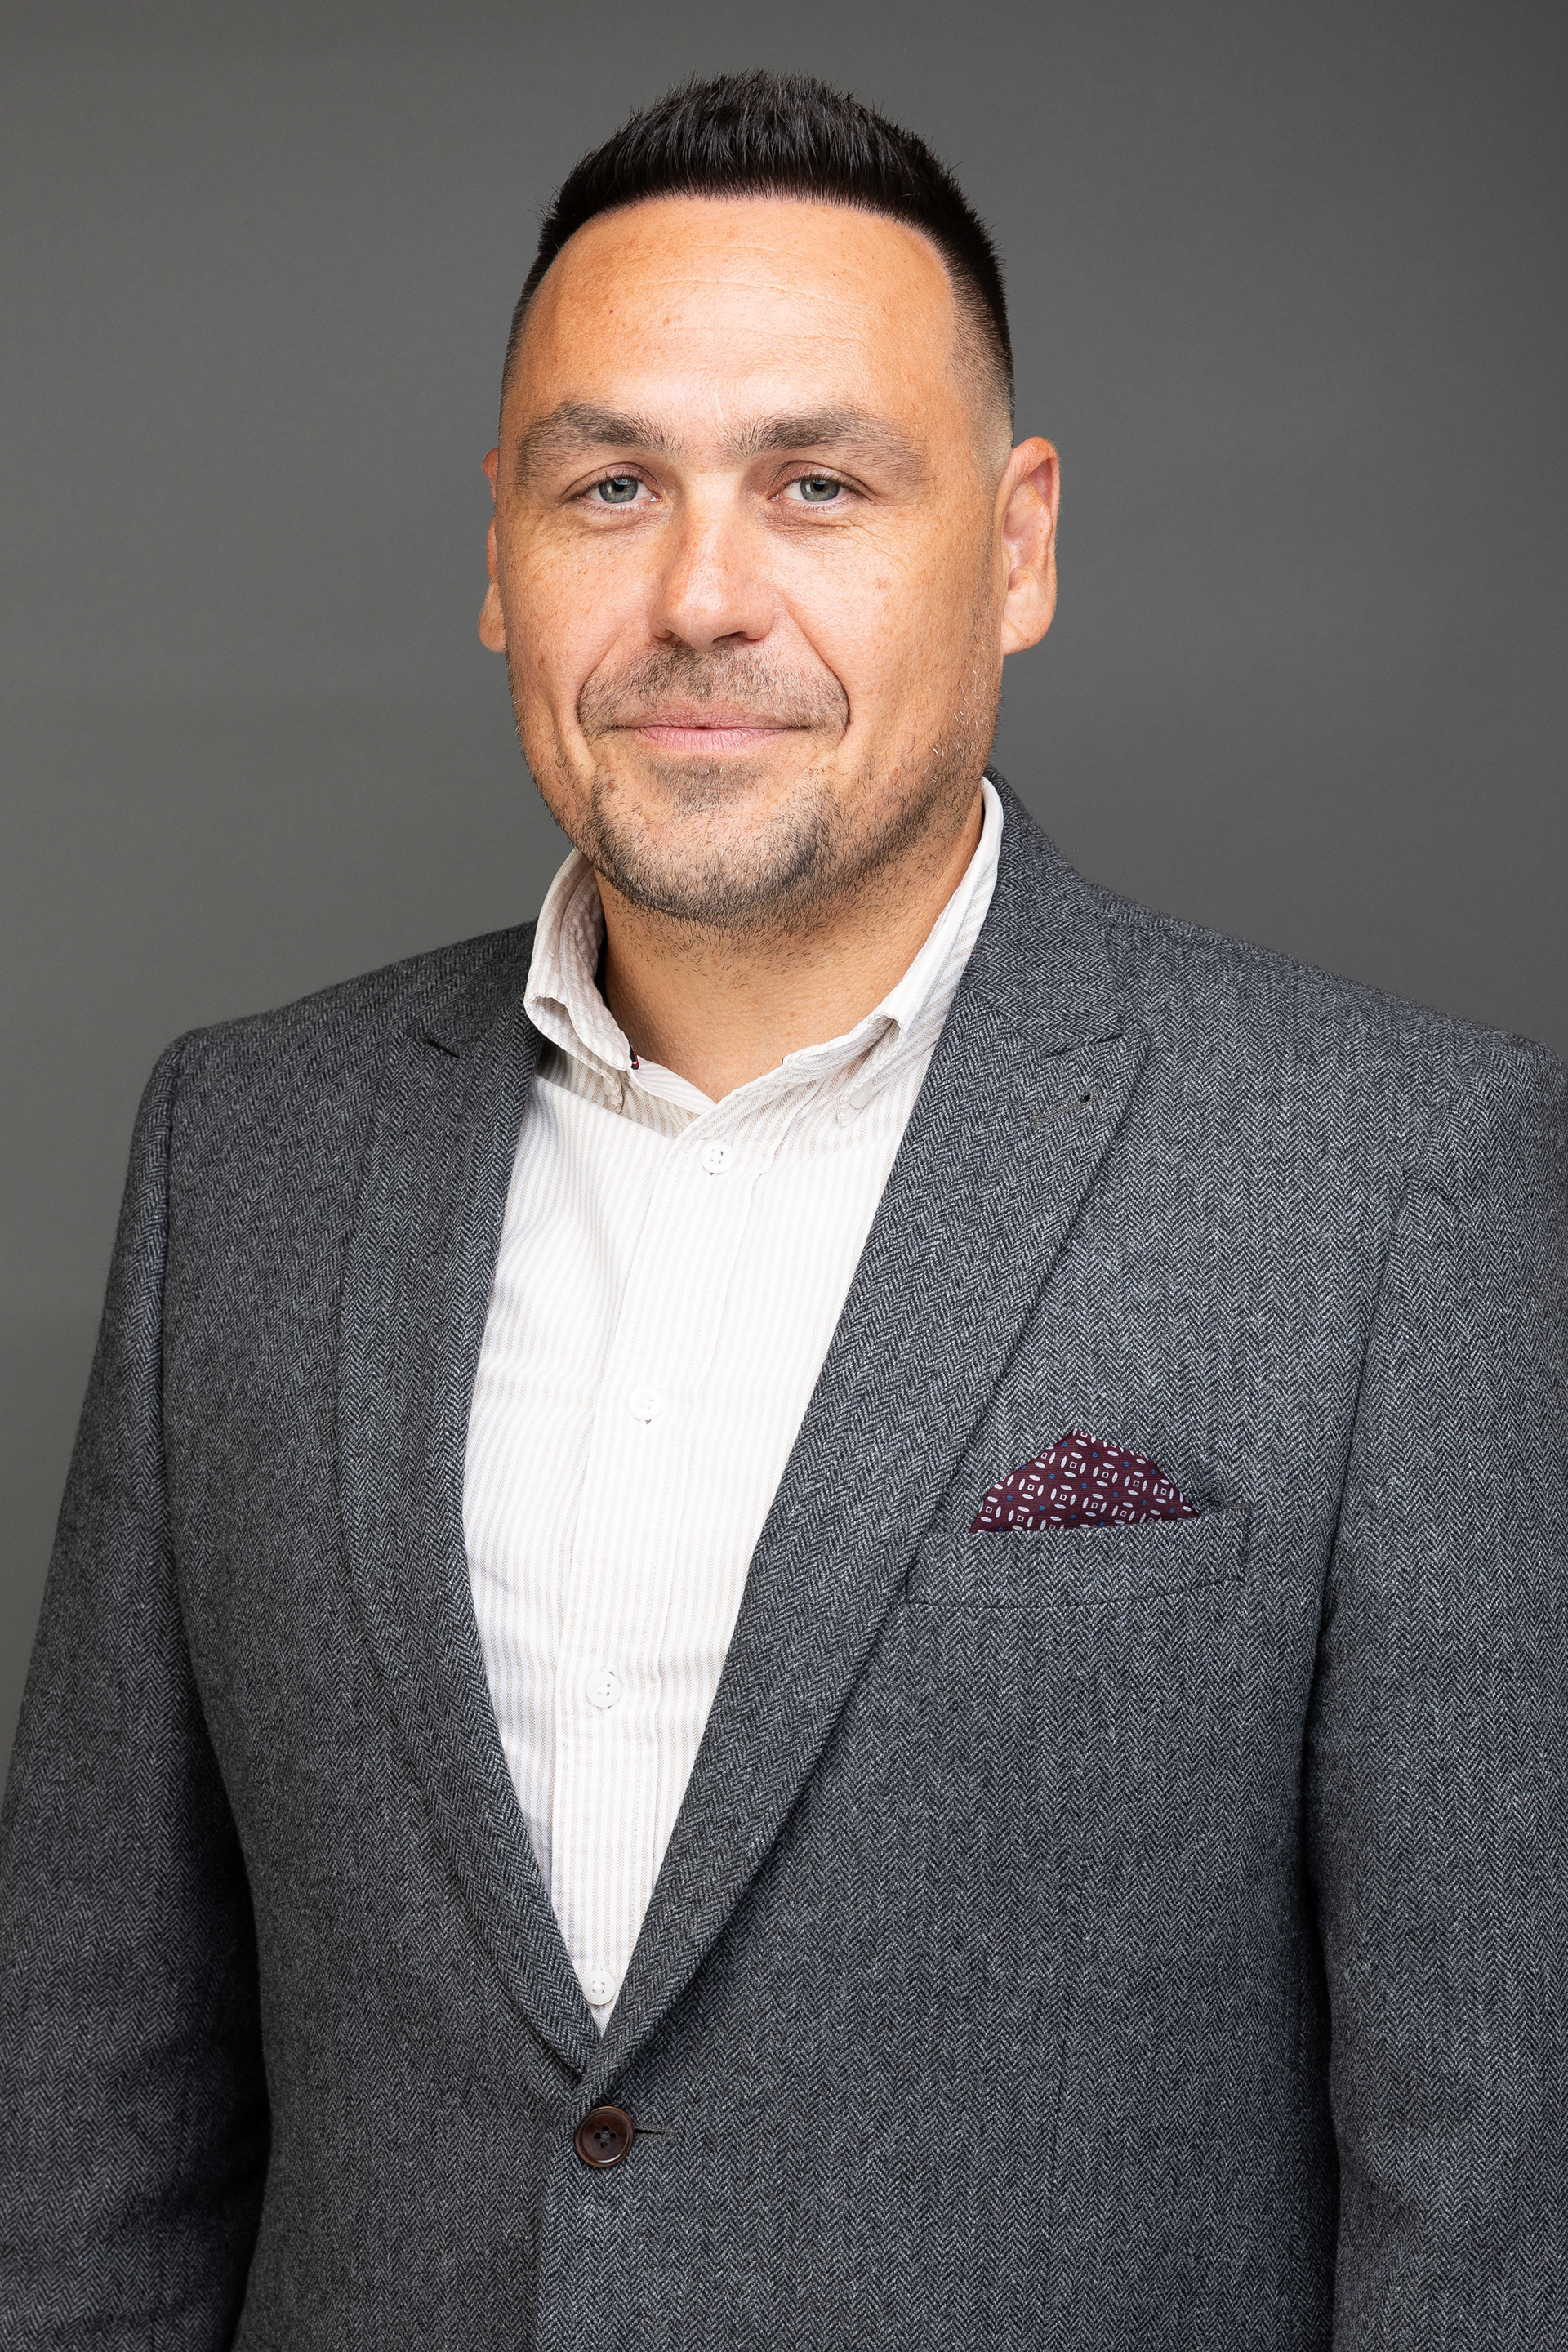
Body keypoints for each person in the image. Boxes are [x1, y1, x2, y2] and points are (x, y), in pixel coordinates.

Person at [1, 67, 1563, 2350]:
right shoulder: (245, 1153)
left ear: (1016, 547)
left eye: (818, 484)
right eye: (608, 486)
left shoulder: (1396, 1182)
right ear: (499, 552)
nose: (701, 598)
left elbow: (1499, 2190)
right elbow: (89, 2108)